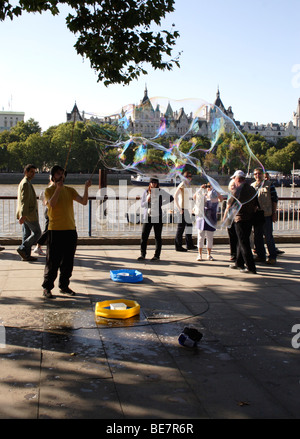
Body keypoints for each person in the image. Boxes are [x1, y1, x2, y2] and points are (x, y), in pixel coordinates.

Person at [42, 165, 91, 299]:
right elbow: (51, 204)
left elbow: (84, 201)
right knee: (53, 261)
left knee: (68, 262)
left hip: (70, 230)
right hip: (55, 230)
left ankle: (64, 286)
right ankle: (47, 287)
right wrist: (58, 189)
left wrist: (86, 188)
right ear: (53, 177)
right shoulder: (48, 190)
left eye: (62, 175)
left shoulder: (70, 190)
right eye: (58, 174)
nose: (61, 176)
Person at [227, 170, 258, 274]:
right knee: (242, 241)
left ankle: (251, 267)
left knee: (244, 243)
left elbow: (230, 204)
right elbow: (256, 204)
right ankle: (239, 263)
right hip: (250, 218)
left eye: (234, 179)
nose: (233, 181)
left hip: (240, 219)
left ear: (237, 179)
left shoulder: (237, 190)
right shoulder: (252, 189)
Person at [137, 177, 173, 261]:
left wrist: (161, 203)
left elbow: (171, 198)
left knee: (157, 237)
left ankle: (157, 255)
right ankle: (143, 254)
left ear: (157, 184)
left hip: (157, 216)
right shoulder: (146, 192)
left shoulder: (160, 191)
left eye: (155, 183)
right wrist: (148, 201)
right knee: (144, 236)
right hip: (148, 216)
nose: (154, 184)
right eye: (152, 182)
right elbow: (142, 205)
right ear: (149, 183)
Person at [251, 167, 278, 265]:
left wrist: (274, 213)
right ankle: (261, 255)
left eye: (259, 173)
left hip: (266, 214)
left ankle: (272, 256)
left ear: (263, 174)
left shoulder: (270, 185)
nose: (257, 176)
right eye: (255, 174)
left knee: (268, 236)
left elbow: (274, 199)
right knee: (257, 236)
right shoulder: (252, 186)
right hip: (256, 215)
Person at [16, 164, 41, 261]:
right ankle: (22, 248)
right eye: (31, 172)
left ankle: (25, 255)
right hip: (29, 214)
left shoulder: (25, 182)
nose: (33, 174)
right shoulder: (26, 183)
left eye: (34, 172)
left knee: (26, 234)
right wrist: (23, 215)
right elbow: (24, 200)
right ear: (26, 172)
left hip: (26, 213)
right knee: (37, 232)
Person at [193, 183, 222, 261]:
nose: (209, 188)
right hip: (201, 218)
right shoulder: (202, 194)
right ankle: (199, 254)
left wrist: (216, 190)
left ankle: (209, 254)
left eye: (210, 186)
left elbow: (221, 199)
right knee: (200, 237)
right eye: (208, 186)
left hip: (211, 218)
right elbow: (194, 197)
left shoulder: (214, 196)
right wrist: (200, 188)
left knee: (210, 237)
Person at [174, 171, 196, 252]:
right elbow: (175, 196)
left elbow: (191, 196)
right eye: (188, 177)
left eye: (190, 177)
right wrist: (179, 209)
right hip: (182, 209)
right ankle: (178, 246)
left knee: (189, 227)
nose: (190, 178)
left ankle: (189, 244)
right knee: (181, 228)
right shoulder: (182, 185)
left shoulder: (188, 185)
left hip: (187, 208)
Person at [227, 178, 238, 261]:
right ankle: (233, 253)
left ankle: (238, 254)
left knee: (237, 237)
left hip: (237, 218)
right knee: (232, 237)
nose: (233, 187)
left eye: (234, 185)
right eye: (231, 185)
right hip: (229, 218)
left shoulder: (238, 194)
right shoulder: (229, 194)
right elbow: (227, 207)